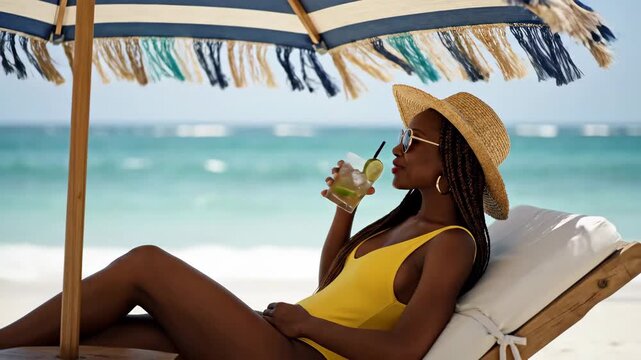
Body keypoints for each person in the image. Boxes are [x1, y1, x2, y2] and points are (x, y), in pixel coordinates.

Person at [0, 84, 511, 360]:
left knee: (146, 264)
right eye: (400, 135)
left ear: (450, 160)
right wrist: (345, 212)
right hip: (276, 339)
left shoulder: (452, 245)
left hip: (289, 354)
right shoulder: (403, 225)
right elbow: (331, 288)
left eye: (411, 140)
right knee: (100, 334)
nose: (397, 148)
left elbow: (404, 351)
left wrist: (305, 325)